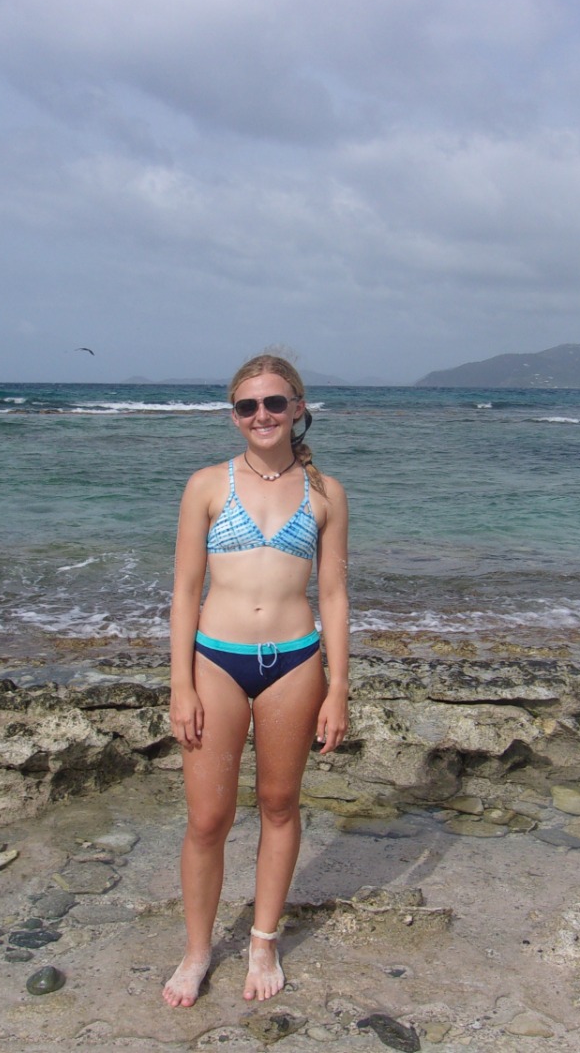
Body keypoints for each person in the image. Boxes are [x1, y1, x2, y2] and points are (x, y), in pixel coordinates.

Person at [163, 354, 350, 1008]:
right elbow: (185, 591)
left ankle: (263, 941)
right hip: (215, 660)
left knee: (279, 805)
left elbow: (334, 595)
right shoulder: (206, 486)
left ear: (298, 407)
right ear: (234, 415)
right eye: (247, 406)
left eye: (274, 403)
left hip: (295, 663)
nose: (261, 415)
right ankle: (197, 951)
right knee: (207, 818)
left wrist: (338, 686)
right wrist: (180, 684)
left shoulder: (326, 492)